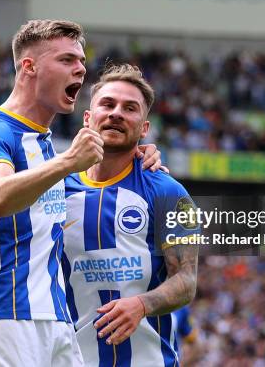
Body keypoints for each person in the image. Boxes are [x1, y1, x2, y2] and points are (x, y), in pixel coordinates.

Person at [0, 20, 161, 366]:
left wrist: (137, 154)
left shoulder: (44, 143)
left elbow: (89, 179)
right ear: (29, 67)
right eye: (66, 60)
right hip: (0, 315)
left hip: (55, 319)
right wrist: (67, 162)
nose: (80, 68)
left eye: (81, 60)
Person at [62, 64, 199, 366]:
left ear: (144, 127)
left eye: (130, 108)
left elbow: (187, 281)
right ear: (88, 118)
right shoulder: (55, 189)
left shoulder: (168, 192)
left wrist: (141, 304)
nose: (116, 113)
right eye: (107, 104)